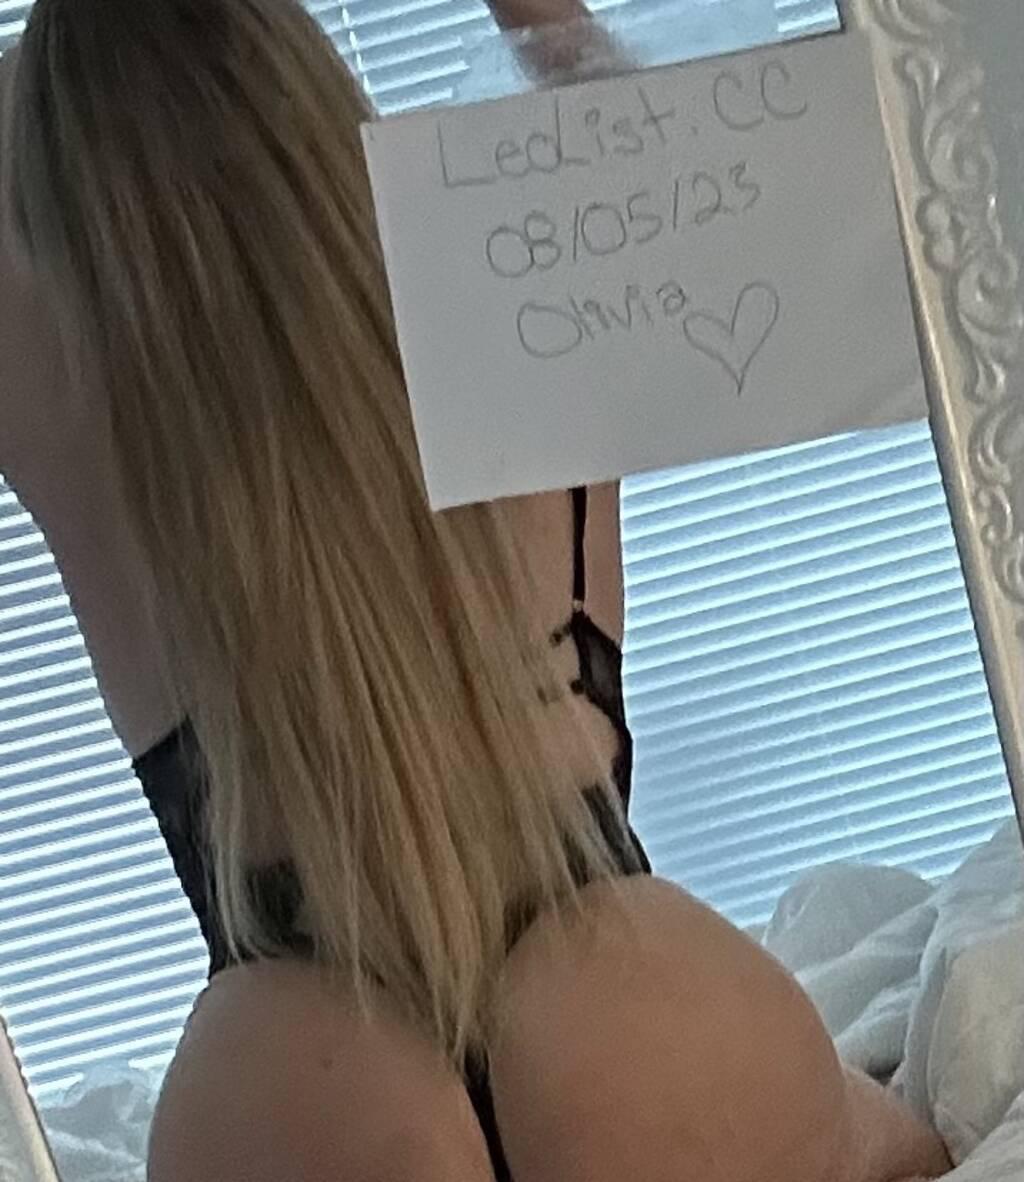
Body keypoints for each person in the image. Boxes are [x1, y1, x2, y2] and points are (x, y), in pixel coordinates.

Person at [0, 2, 951, 1180]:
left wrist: (77, 77)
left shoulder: (50, 390)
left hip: (290, 1089)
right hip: (648, 1031)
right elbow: (638, 124)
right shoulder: (527, 284)